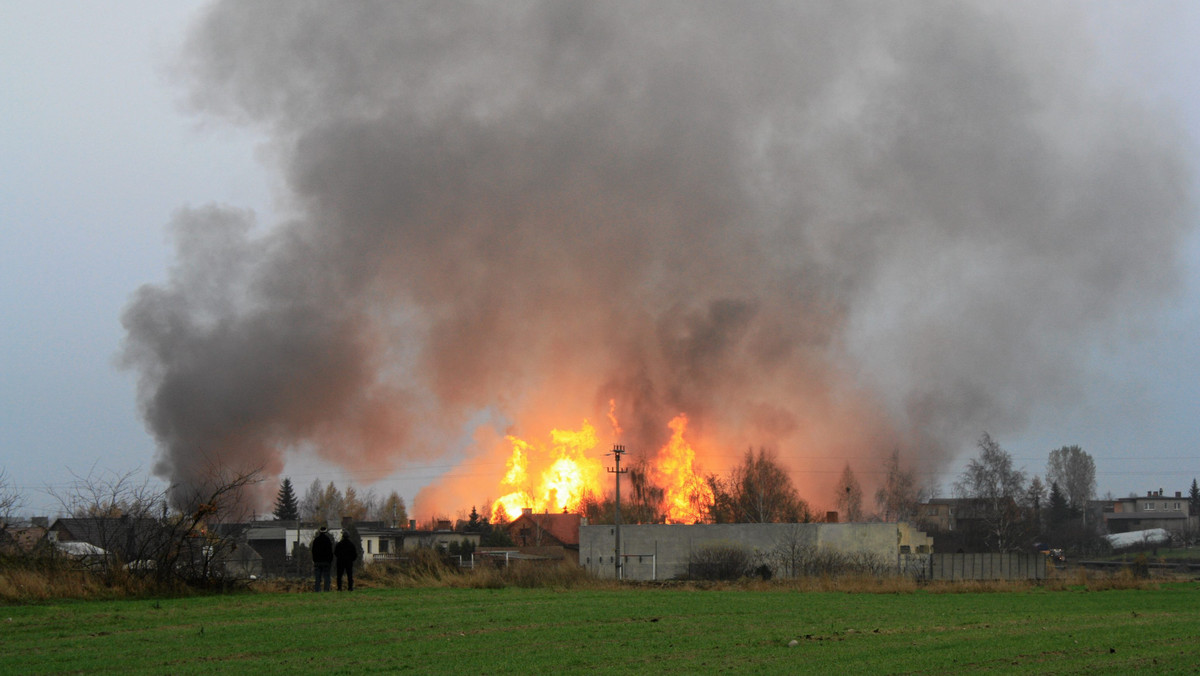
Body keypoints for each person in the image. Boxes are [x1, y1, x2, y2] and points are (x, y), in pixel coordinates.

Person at [311, 525, 334, 592]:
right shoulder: (328, 540)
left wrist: (314, 560)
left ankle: (317, 589)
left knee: (317, 577)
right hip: (326, 562)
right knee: (326, 576)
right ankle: (326, 589)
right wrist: (330, 560)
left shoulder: (316, 540)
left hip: (317, 562)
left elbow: (313, 551)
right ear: (326, 532)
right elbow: (330, 551)